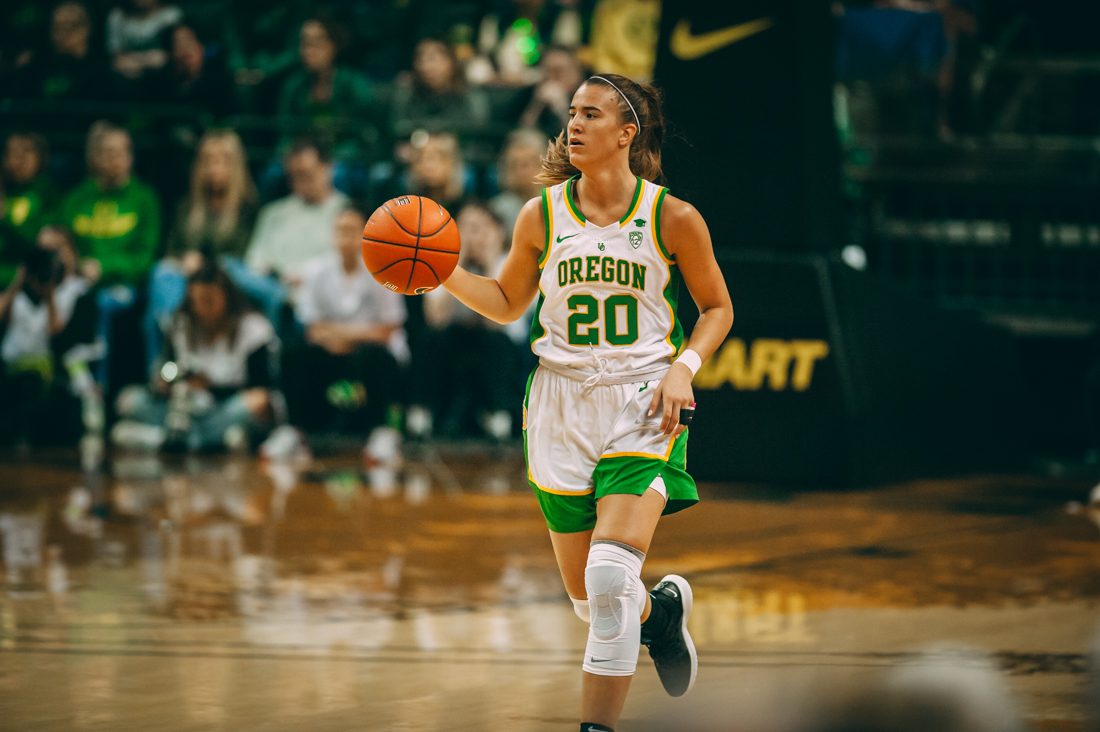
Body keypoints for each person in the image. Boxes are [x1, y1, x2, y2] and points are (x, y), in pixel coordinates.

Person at [438, 74, 733, 730]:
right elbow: (509, 301)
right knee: (591, 599)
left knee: (607, 580)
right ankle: (661, 617)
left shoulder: (672, 217)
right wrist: (445, 274)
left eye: (590, 114)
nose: (573, 124)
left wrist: (684, 368)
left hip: (644, 400)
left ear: (626, 133)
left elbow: (718, 308)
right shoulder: (540, 213)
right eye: (570, 113)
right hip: (557, 406)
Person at [113, 262, 277, 452]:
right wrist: (166, 383)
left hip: (223, 408)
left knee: (258, 402)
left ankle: (170, 440)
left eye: (209, 300)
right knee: (127, 400)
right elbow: (167, 370)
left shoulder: (254, 330)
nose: (203, 308)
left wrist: (211, 386)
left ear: (227, 297)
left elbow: (261, 387)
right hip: (181, 409)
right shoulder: (180, 326)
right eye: (196, 301)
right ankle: (210, 441)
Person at [284, 207, 408, 435]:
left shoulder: (385, 270)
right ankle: (296, 431)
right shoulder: (316, 270)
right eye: (340, 230)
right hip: (331, 351)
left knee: (372, 356)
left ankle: (381, 432)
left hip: (374, 353)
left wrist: (341, 335)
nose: (345, 237)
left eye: (351, 230)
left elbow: (389, 329)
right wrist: (356, 334)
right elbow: (312, 329)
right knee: (295, 354)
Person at [145, 130, 258, 367]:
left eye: (222, 161)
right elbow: (171, 249)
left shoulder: (249, 208)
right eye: (208, 161)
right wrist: (182, 261)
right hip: (185, 279)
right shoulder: (186, 206)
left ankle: (179, 351)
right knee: (161, 273)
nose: (214, 168)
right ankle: (166, 362)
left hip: (229, 281)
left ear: (235, 165)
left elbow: (245, 256)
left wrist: (205, 264)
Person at [59, 121, 161, 382]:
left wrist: (104, 267)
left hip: (125, 285)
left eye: (120, 152)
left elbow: (145, 258)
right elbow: (61, 244)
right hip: (77, 281)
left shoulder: (144, 198)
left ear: (131, 156)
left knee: (101, 303)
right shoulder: (76, 199)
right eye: (107, 152)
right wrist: (75, 264)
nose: (114, 159)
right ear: (94, 158)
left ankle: (97, 387)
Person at [421, 201, 520, 438]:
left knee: (494, 341)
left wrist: (487, 267)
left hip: (498, 345)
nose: (472, 237)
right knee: (429, 339)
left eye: (479, 228)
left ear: (497, 232)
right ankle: (422, 415)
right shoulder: (443, 264)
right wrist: (456, 267)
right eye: (464, 228)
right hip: (454, 342)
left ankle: (499, 415)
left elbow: (497, 321)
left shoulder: (511, 264)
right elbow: (435, 319)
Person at [242, 137, 349, 321]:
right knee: (225, 267)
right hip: (272, 289)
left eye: (306, 174)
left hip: (318, 294)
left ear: (328, 168)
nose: (300, 182)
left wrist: (307, 277)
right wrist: (270, 273)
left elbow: (348, 267)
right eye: (294, 176)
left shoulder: (347, 214)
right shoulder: (273, 213)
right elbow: (254, 262)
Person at [2, 2, 113, 103]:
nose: (63, 34)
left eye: (70, 27)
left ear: (88, 28)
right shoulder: (36, 68)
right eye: (57, 27)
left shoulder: (102, 71)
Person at [390, 38, 489, 139]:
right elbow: (397, 133)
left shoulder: (470, 96)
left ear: (451, 61)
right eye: (420, 60)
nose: (425, 67)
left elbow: (479, 136)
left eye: (432, 59)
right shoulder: (408, 94)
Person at [0, 133, 60, 287]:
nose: (19, 159)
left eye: (26, 151)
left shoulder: (48, 195)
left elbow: (38, 243)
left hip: (29, 280)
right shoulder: (4, 191)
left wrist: (4, 218)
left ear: (40, 157)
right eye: (13, 152)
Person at [142, 22, 239, 117]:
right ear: (169, 53)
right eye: (179, 45)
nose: (187, 53)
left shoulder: (220, 84)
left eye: (191, 43)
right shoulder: (156, 86)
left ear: (202, 47)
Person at [516, 47, 586, 139]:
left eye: (561, 71)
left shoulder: (587, 97)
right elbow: (519, 131)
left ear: (576, 74)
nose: (555, 77)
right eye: (550, 70)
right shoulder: (527, 93)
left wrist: (561, 107)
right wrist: (537, 105)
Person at [107, 0, 183, 81]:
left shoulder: (171, 15)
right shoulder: (117, 16)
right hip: (125, 79)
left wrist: (134, 60)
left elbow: (172, 57)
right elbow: (116, 60)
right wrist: (150, 61)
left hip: (165, 78)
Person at [491, 129, 547, 239]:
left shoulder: (562, 205)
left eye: (526, 164)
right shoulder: (497, 210)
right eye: (513, 165)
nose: (521, 172)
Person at [406, 133, 466, 214]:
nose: (428, 166)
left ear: (453, 162)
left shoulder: (466, 209)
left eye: (439, 157)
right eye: (420, 158)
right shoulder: (403, 205)